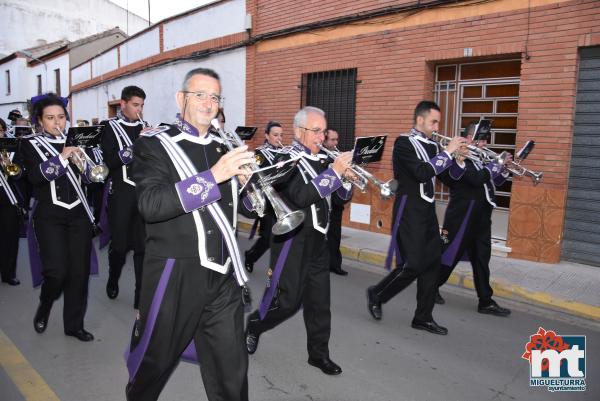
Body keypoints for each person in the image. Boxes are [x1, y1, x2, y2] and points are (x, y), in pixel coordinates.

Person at [125, 68, 254, 401]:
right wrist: (215, 176)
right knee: (155, 362)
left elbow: (243, 208)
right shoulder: (154, 143)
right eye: (200, 95)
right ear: (181, 99)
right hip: (175, 271)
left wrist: (252, 188)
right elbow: (151, 205)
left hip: (224, 274)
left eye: (215, 96)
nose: (208, 103)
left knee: (232, 369)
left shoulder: (225, 144)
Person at [245, 106, 353, 376]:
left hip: (319, 243)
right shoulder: (285, 161)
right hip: (293, 242)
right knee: (288, 302)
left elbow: (339, 200)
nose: (321, 136)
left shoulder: (325, 160)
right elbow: (300, 196)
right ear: (299, 131)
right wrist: (335, 173)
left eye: (323, 131)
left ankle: (318, 355)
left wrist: (347, 179)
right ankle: (255, 325)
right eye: (315, 131)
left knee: (320, 303)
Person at [366, 100, 466, 335]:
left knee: (432, 263)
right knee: (413, 264)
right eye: (433, 121)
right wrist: (448, 152)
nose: (436, 126)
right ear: (420, 120)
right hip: (408, 210)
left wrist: (458, 161)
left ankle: (423, 317)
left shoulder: (432, 147)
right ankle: (377, 293)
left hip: (428, 212)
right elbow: (422, 173)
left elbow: (447, 179)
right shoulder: (403, 143)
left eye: (438, 122)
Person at [21, 93, 96, 341]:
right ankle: (45, 303)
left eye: (61, 117)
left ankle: (73, 325)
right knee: (56, 272)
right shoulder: (30, 144)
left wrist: (84, 160)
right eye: (51, 118)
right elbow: (36, 177)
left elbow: (94, 178)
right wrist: (63, 157)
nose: (57, 123)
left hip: (79, 217)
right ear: (40, 121)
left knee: (79, 273)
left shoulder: (77, 142)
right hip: (49, 217)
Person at [436, 122, 511, 316]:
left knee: (481, 259)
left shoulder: (482, 158)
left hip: (481, 217)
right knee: (449, 254)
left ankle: (485, 301)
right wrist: (495, 165)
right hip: (462, 216)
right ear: (469, 138)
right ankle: (431, 286)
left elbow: (495, 181)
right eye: (481, 139)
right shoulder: (459, 157)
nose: (485, 143)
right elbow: (477, 179)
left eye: (486, 139)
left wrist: (504, 169)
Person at [100, 86, 147, 308]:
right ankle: (113, 276)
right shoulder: (109, 127)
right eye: (136, 105)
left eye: (142, 105)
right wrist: (136, 146)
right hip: (121, 192)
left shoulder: (146, 127)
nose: (139, 110)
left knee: (142, 246)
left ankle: (140, 293)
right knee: (119, 245)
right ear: (123, 104)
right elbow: (109, 162)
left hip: (144, 193)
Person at [244, 120, 284, 273]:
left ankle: (278, 270)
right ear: (267, 136)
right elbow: (255, 176)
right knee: (267, 238)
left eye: (281, 135)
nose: (279, 138)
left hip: (281, 199)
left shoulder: (285, 152)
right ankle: (251, 256)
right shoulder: (260, 153)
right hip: (266, 200)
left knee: (281, 236)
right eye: (275, 135)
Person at [0, 120, 24, 285]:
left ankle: (8, 274)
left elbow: (18, 175)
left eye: (0, 130)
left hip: (8, 200)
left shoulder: (14, 150)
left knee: (10, 239)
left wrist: (7, 163)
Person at [322, 129, 349, 276]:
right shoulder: (320, 156)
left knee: (335, 235)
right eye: (332, 140)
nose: (336, 143)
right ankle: (322, 264)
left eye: (336, 140)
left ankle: (335, 264)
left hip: (336, 202)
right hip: (324, 202)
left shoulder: (338, 155)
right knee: (322, 236)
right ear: (324, 141)